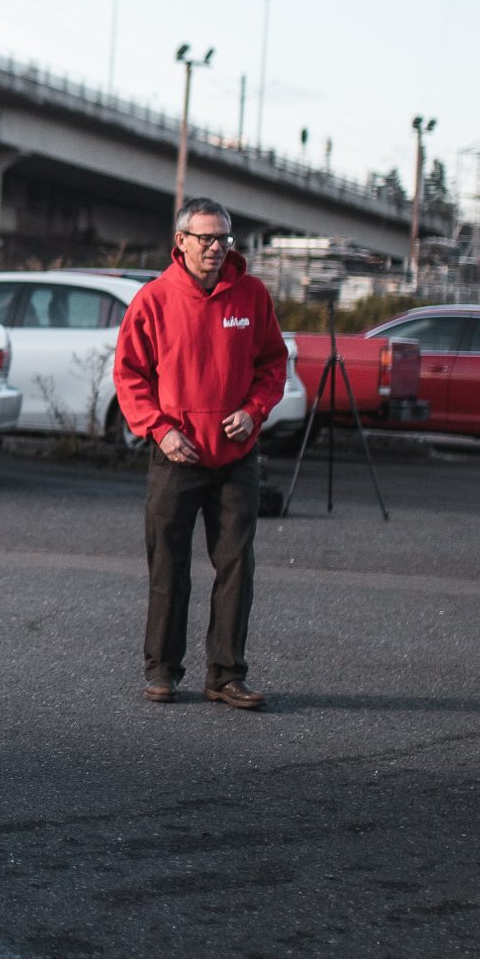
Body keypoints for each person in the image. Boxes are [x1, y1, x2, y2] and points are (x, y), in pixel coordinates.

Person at [112, 197, 290, 710]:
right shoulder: (154, 299)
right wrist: (159, 429)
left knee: (236, 565)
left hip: (236, 457)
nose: (216, 248)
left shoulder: (251, 296)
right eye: (207, 238)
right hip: (177, 455)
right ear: (182, 242)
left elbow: (273, 364)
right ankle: (162, 671)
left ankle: (226, 675)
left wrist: (255, 410)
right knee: (168, 567)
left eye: (224, 239)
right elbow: (129, 375)